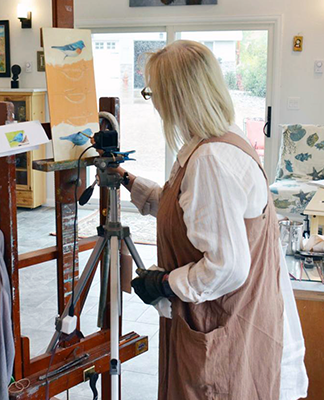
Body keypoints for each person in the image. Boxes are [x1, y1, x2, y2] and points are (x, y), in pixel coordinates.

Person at [115, 41, 308, 400]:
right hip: (224, 319)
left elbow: (227, 267)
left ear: (176, 96)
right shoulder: (218, 140)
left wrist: (166, 283)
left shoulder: (211, 160)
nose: (153, 102)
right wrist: (128, 180)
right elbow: (187, 211)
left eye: (152, 92)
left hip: (224, 326)